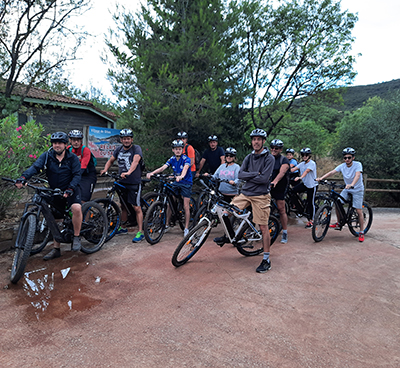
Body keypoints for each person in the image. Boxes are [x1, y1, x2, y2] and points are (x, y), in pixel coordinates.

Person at [214, 129, 275, 273]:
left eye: (259, 139)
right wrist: (255, 174)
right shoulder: (248, 157)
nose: (256, 142)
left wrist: (250, 176)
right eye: (254, 139)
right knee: (226, 212)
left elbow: (264, 179)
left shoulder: (269, 158)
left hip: (261, 195)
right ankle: (227, 236)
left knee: (263, 227)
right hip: (246, 193)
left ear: (263, 141)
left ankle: (266, 259)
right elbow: (241, 174)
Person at [15, 131, 82, 260]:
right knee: (54, 218)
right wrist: (23, 177)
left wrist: (70, 188)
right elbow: (35, 167)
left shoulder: (72, 158)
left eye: (60, 143)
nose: (57, 145)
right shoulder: (47, 156)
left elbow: (77, 175)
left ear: (65, 144)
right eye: (55, 143)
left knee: (76, 208)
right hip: (54, 190)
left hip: (71, 189)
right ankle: (56, 249)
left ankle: (77, 236)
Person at [100, 129, 144, 243]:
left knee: (136, 207)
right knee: (123, 206)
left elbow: (135, 161)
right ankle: (123, 227)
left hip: (134, 182)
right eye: (124, 138)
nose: (126, 140)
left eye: (128, 138)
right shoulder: (118, 149)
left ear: (131, 139)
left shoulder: (136, 148)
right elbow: (111, 160)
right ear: (121, 140)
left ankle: (140, 232)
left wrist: (129, 172)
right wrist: (105, 169)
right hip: (122, 182)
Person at [316, 147, 365, 242]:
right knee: (337, 202)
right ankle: (339, 222)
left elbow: (357, 175)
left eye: (349, 157)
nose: (347, 159)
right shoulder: (342, 166)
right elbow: (332, 172)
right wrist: (321, 178)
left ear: (353, 158)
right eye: (345, 157)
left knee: (359, 211)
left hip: (357, 189)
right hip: (347, 188)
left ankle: (362, 232)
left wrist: (352, 184)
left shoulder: (358, 165)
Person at [146, 139, 193, 237]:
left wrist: (181, 176)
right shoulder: (172, 159)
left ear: (182, 149)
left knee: (186, 205)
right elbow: (163, 168)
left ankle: (186, 228)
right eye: (176, 149)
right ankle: (167, 225)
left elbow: (185, 169)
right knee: (169, 203)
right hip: (176, 182)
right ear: (173, 150)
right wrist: (152, 173)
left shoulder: (186, 159)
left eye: (179, 149)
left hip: (186, 182)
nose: (178, 151)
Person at [291, 147, 318, 228]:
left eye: (306, 155)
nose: (304, 156)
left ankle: (312, 220)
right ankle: (300, 208)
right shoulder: (302, 164)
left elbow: (306, 171)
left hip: (312, 185)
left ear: (309, 156)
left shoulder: (312, 163)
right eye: (303, 155)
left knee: (310, 202)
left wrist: (300, 178)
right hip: (305, 184)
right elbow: (292, 169)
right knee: (292, 191)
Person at [269, 139, 290, 244]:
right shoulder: (267, 159)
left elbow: (282, 172)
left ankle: (285, 231)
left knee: (281, 209)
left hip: (280, 186)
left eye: (276, 148)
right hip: (268, 185)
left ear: (280, 149)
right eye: (272, 147)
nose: (273, 150)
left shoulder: (284, 160)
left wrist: (275, 181)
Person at [68, 130, 97, 202]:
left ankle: (87, 212)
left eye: (78, 140)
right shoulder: (68, 149)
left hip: (88, 176)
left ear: (81, 141)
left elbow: (83, 166)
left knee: (83, 200)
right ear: (70, 140)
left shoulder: (85, 150)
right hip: (76, 174)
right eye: (74, 140)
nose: (76, 142)